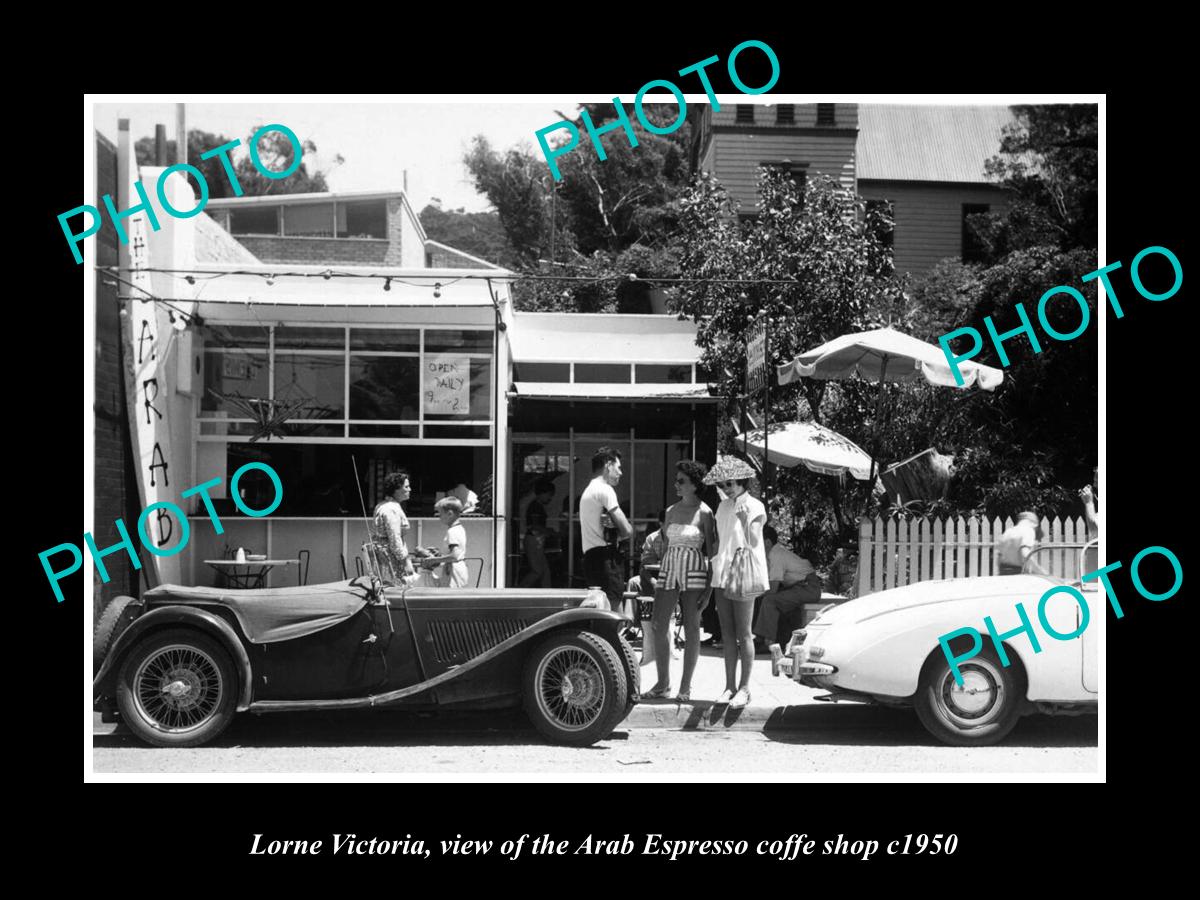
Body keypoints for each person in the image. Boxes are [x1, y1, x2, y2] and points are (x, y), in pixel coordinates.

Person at [645, 461, 717, 702]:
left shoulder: (705, 513)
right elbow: (665, 545)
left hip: (694, 569)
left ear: (695, 485)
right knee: (658, 623)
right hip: (669, 567)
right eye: (676, 480)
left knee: (692, 627)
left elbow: (712, 552)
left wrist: (709, 590)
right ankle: (663, 682)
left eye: (681, 481)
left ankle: (685, 687)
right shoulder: (670, 511)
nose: (676, 484)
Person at [706, 456, 769, 709]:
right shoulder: (722, 507)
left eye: (730, 483)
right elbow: (721, 542)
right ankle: (729, 686)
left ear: (742, 482)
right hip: (723, 572)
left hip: (743, 572)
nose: (726, 488)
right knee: (728, 634)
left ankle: (744, 688)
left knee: (745, 633)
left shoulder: (755, 506)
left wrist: (744, 520)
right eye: (722, 485)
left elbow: (753, 543)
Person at [752, 525, 823, 649]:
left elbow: (772, 589)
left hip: (808, 588)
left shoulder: (776, 555)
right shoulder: (772, 553)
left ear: (767, 542)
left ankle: (768, 642)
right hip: (799, 587)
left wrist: (753, 593)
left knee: (769, 600)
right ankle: (760, 638)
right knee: (762, 598)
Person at [579, 447, 634, 610]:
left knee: (599, 612)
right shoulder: (605, 490)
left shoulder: (588, 491)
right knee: (613, 614)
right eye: (618, 467)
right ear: (608, 465)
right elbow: (628, 531)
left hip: (591, 557)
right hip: (606, 559)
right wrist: (621, 530)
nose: (621, 473)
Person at [370, 470, 424, 584]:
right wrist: (405, 562)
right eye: (406, 486)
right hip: (390, 558)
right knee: (396, 591)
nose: (410, 489)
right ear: (396, 489)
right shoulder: (391, 509)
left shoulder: (383, 505)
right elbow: (395, 538)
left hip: (383, 556)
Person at [418, 496, 469, 588]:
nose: (439, 517)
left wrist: (434, 560)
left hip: (453, 571)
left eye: (440, 514)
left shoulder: (452, 531)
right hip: (457, 569)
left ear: (449, 514)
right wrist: (440, 553)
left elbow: (455, 556)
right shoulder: (459, 529)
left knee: (449, 598)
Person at [995, 511, 1046, 575]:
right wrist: (1040, 571)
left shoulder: (1008, 532)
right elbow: (1025, 554)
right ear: (1034, 523)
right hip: (1018, 573)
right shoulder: (1028, 530)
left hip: (1003, 571)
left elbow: (999, 557)